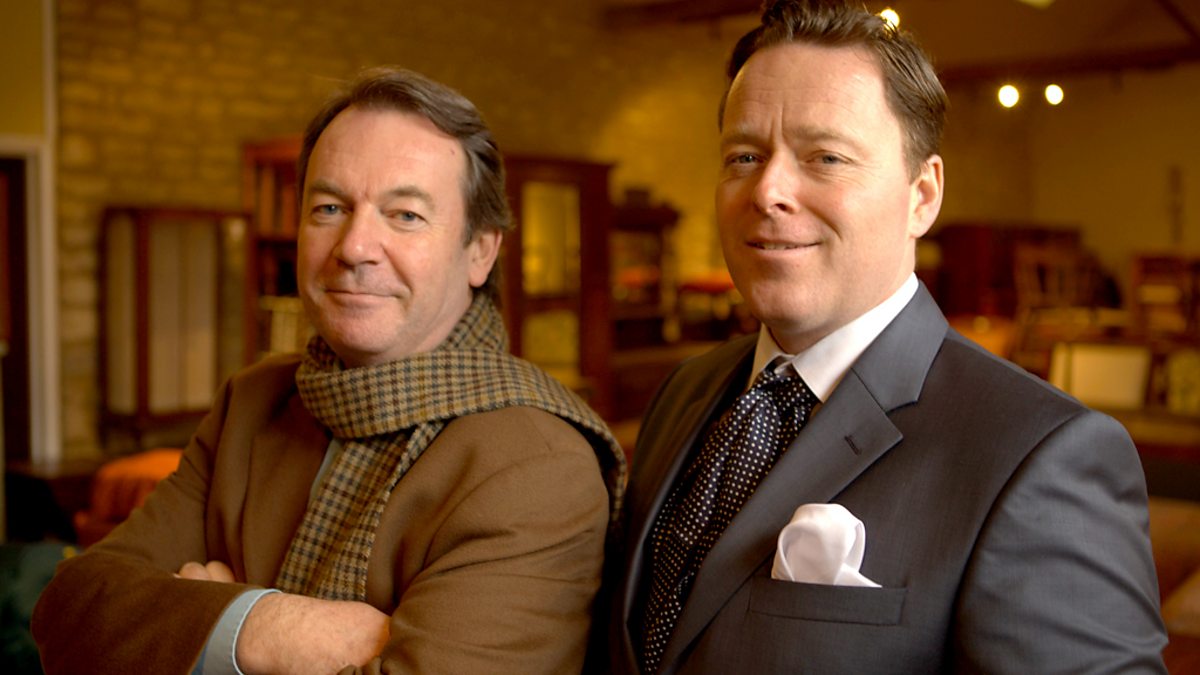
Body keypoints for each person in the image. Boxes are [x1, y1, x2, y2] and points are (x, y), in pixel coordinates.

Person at [606, 1, 1168, 673]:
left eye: (826, 157)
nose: (767, 190)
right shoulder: (685, 393)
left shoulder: (1039, 455)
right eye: (744, 155)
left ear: (922, 195)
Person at [33, 66, 625, 675]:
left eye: (405, 215)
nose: (354, 247)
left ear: (480, 250)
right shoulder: (251, 403)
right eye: (329, 207)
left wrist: (199, 624)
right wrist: (269, 629)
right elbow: (68, 611)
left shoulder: (538, 467)